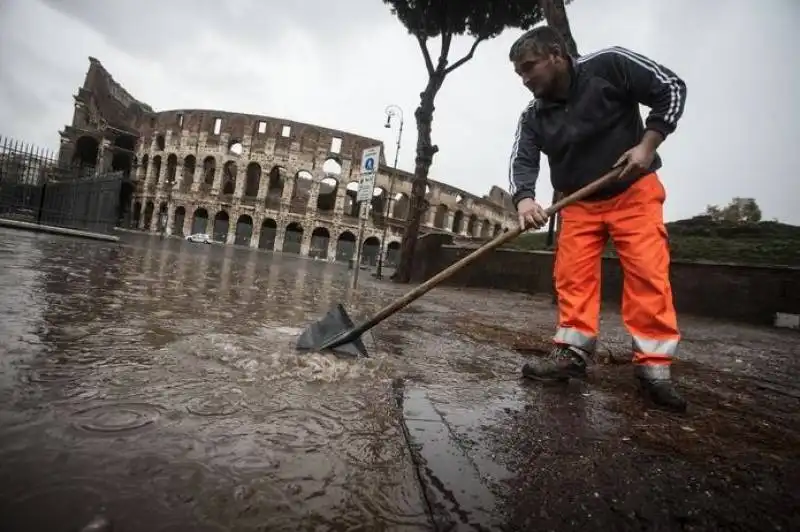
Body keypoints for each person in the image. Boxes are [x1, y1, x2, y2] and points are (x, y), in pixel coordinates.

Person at [507, 26, 688, 412]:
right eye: (519, 74)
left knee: (647, 276)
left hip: (633, 193)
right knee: (572, 279)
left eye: (529, 68)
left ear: (556, 54)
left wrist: (647, 144)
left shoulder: (610, 65)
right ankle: (572, 354)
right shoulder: (534, 115)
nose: (525, 80)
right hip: (577, 202)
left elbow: (671, 87)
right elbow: (522, 159)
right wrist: (524, 200)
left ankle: (654, 368)